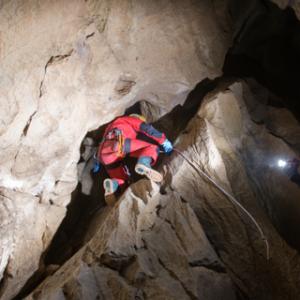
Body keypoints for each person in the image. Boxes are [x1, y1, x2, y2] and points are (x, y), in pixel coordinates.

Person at [93, 114, 173, 204]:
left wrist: (97, 163)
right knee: (151, 147)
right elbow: (146, 128)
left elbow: (102, 146)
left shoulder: (110, 128)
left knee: (121, 179)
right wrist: (163, 140)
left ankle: (112, 185)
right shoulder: (128, 120)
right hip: (119, 144)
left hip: (105, 156)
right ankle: (144, 163)